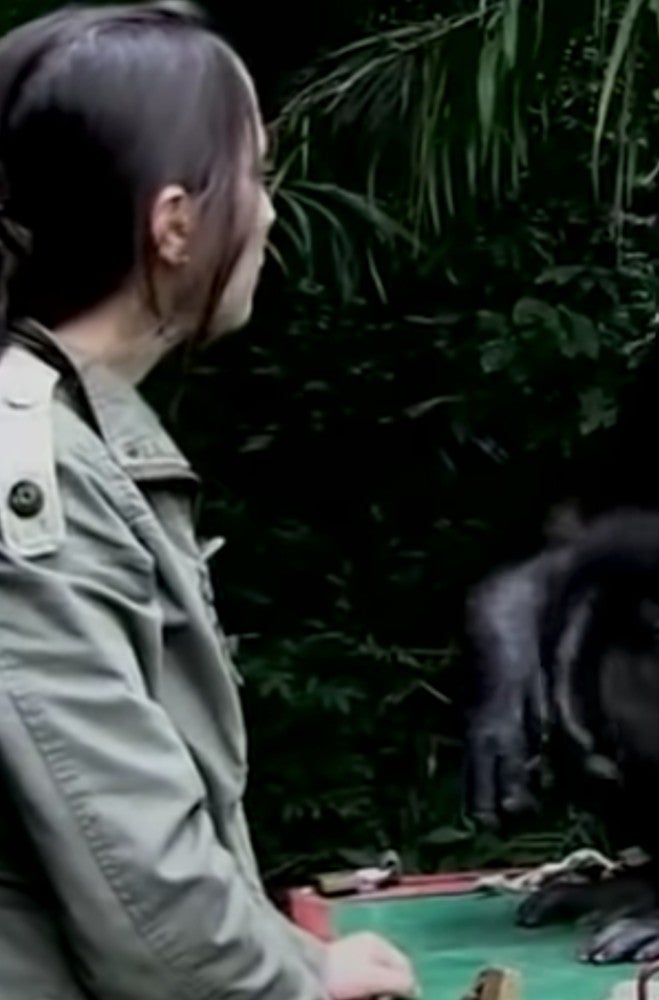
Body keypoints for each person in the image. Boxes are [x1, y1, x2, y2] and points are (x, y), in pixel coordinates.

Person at [0, 4, 417, 998]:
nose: (270, 214)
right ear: (175, 222)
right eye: (258, 175)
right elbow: (147, 904)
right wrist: (300, 984)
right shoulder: (27, 465)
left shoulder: (75, 432)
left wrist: (305, 954)